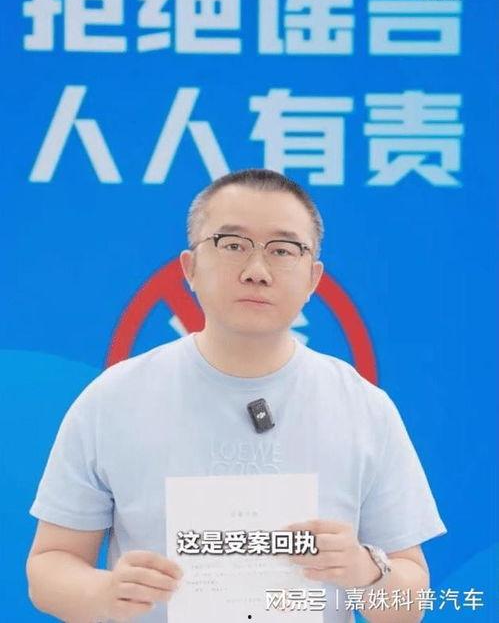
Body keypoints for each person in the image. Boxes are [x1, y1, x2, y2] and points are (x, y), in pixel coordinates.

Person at [26, 168, 447, 623]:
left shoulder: (363, 407)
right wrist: (105, 592)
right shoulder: (114, 399)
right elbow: (49, 566)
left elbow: (411, 604)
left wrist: (365, 571)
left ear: (313, 279)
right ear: (189, 267)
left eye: (283, 250)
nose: (256, 271)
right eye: (232, 245)